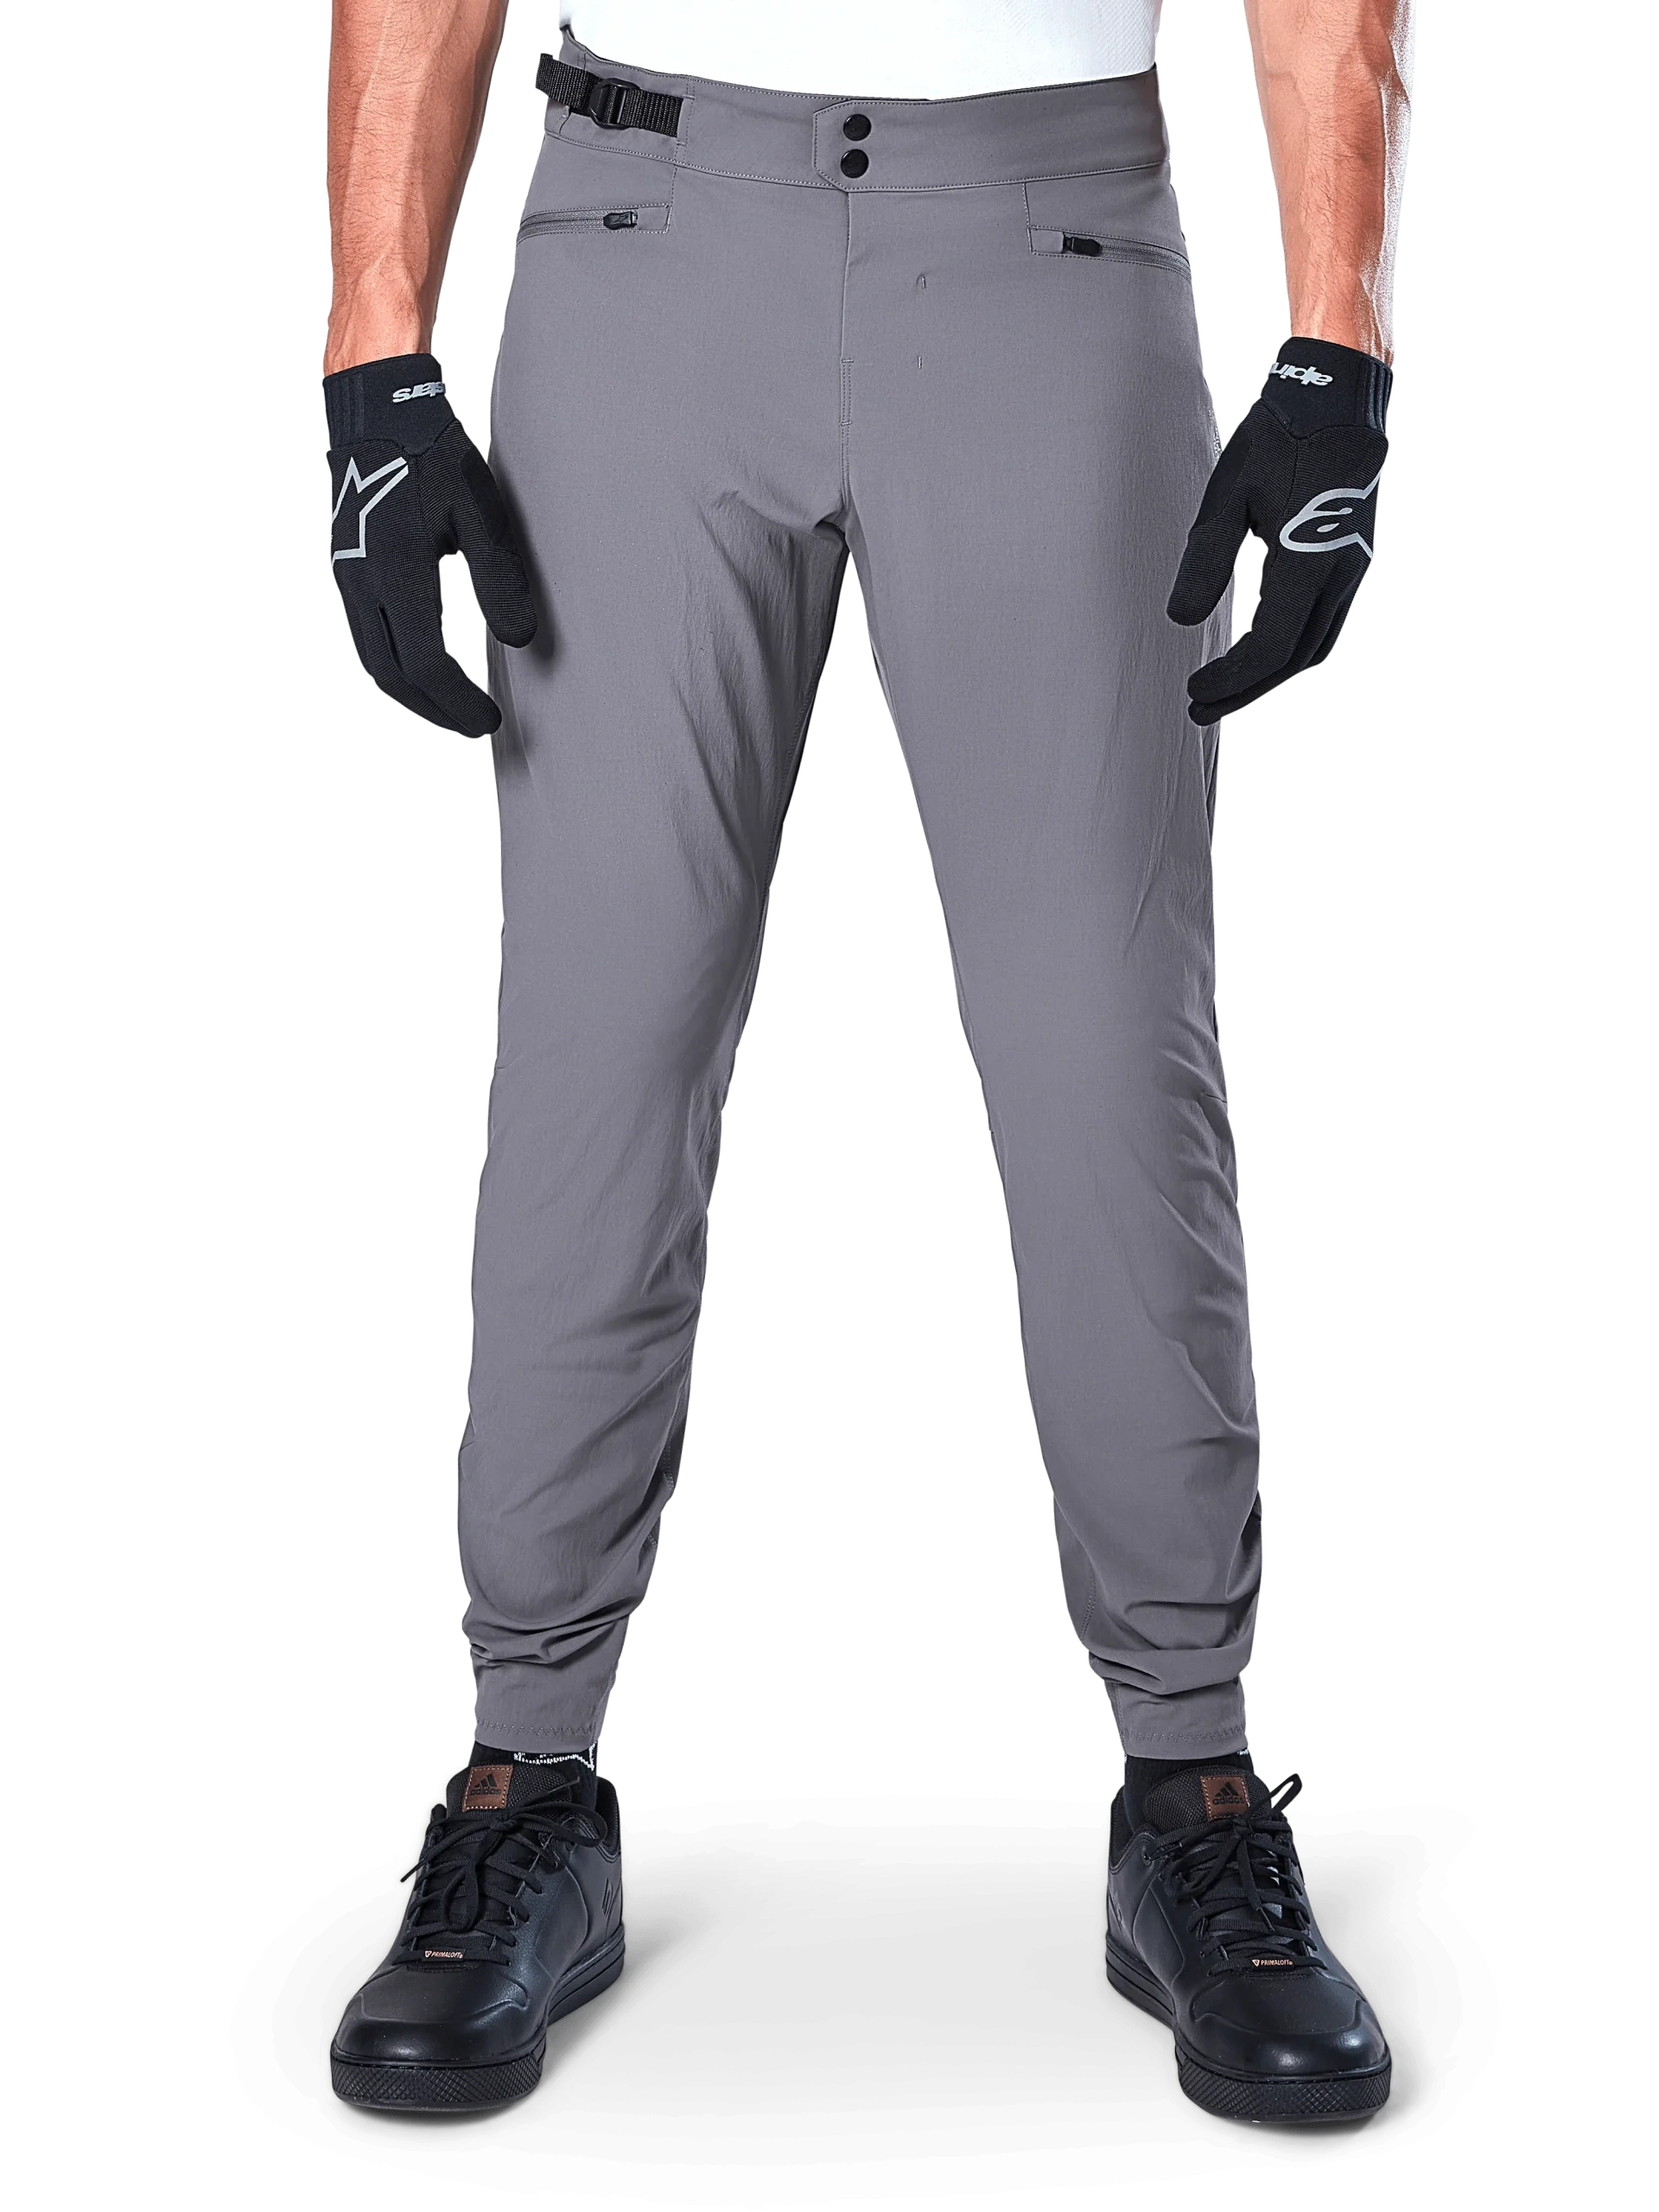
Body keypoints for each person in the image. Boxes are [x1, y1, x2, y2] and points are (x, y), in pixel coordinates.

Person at [321, 0, 1412, 2127]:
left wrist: (1337, 345)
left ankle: (1194, 1781)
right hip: (639, 241)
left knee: (1109, 1055)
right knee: (599, 1049)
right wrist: (375, 348)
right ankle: (522, 1768)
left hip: (1051, 238)